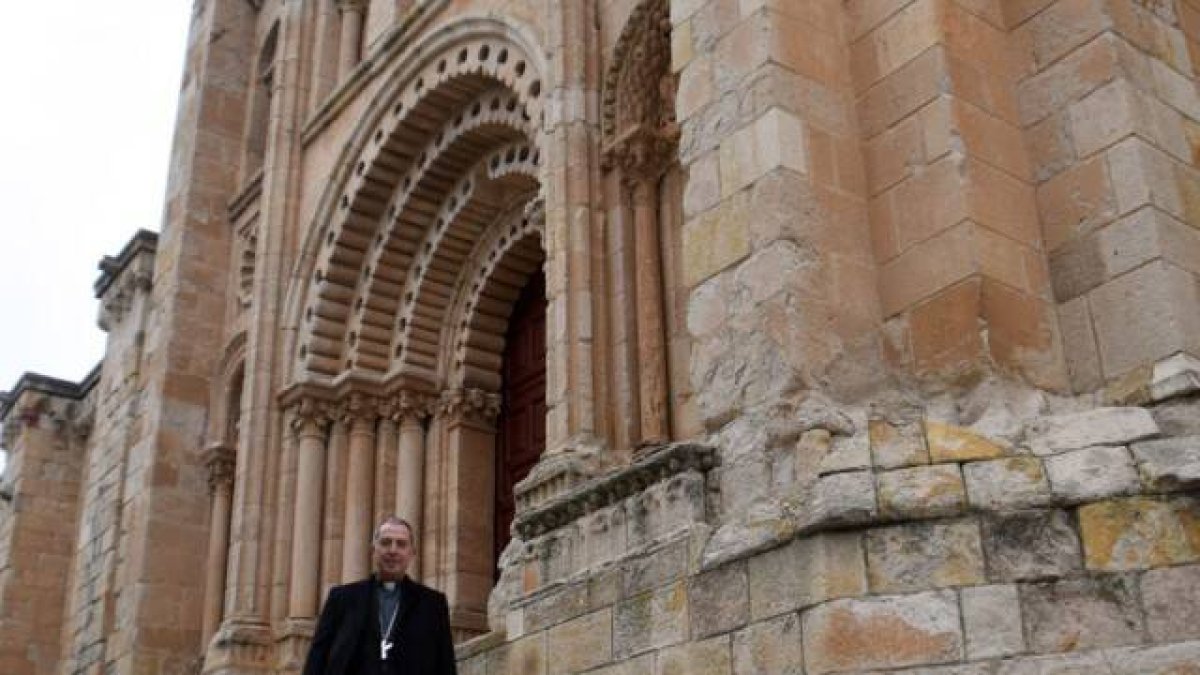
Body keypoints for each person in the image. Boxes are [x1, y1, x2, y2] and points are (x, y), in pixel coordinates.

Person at [303, 516, 457, 675]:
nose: (392, 550)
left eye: (401, 544)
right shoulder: (342, 598)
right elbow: (317, 658)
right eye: (385, 542)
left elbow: (445, 664)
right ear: (373, 550)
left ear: (412, 553)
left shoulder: (432, 604)